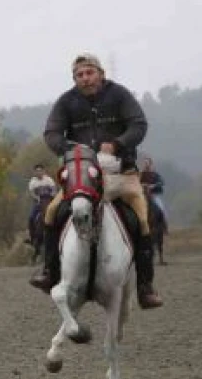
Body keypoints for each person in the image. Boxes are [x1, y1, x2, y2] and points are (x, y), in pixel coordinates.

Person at [29, 53, 163, 309]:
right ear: (74, 79)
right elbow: (51, 133)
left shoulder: (120, 95)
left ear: (100, 74)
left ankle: (145, 286)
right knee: (52, 212)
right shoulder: (67, 102)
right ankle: (49, 272)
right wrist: (69, 148)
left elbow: (138, 124)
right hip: (82, 175)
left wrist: (118, 144)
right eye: (79, 75)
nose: (85, 79)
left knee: (143, 217)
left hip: (121, 174)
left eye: (89, 73)